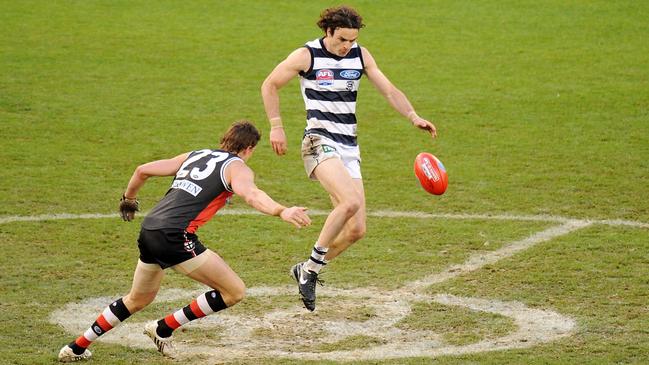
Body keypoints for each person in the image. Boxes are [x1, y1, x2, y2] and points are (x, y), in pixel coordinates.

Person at [57, 121, 311, 362]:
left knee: (137, 299)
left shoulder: (196, 154)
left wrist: (129, 199)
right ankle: (163, 327)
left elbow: (142, 170)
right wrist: (282, 210)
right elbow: (252, 194)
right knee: (234, 292)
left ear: (224, 139)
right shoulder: (237, 167)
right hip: (175, 236)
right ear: (249, 148)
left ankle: (76, 347)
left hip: (150, 229)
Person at [261, 5, 436, 311]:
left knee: (356, 230)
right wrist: (276, 127)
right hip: (318, 141)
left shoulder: (360, 55)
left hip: (348, 146)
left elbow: (389, 89)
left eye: (352, 40)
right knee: (350, 201)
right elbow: (270, 84)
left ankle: (305, 268)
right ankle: (311, 272)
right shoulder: (307, 56)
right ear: (328, 32)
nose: (347, 46)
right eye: (342, 39)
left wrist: (413, 116)